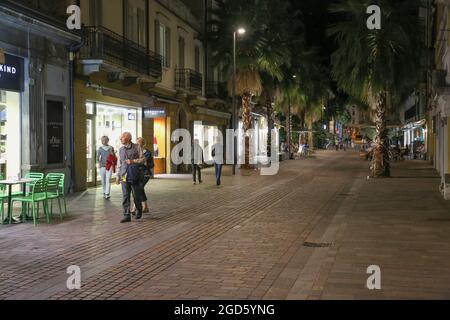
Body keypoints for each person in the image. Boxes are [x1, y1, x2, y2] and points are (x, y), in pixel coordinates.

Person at [116, 132, 146, 223]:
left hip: (134, 174)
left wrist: (133, 161)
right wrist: (118, 176)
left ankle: (139, 209)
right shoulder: (121, 150)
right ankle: (126, 215)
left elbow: (143, 159)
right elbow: (119, 164)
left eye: (122, 138)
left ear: (128, 138)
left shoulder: (137, 147)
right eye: (120, 138)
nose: (120, 139)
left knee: (136, 195)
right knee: (125, 196)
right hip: (124, 176)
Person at [130, 137, 153, 215]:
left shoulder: (147, 153)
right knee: (140, 189)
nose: (137, 144)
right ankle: (145, 207)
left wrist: (146, 164)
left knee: (138, 189)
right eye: (136, 142)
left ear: (143, 144)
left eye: (139, 142)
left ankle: (134, 208)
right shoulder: (135, 152)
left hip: (145, 174)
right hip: (136, 173)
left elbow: (152, 165)